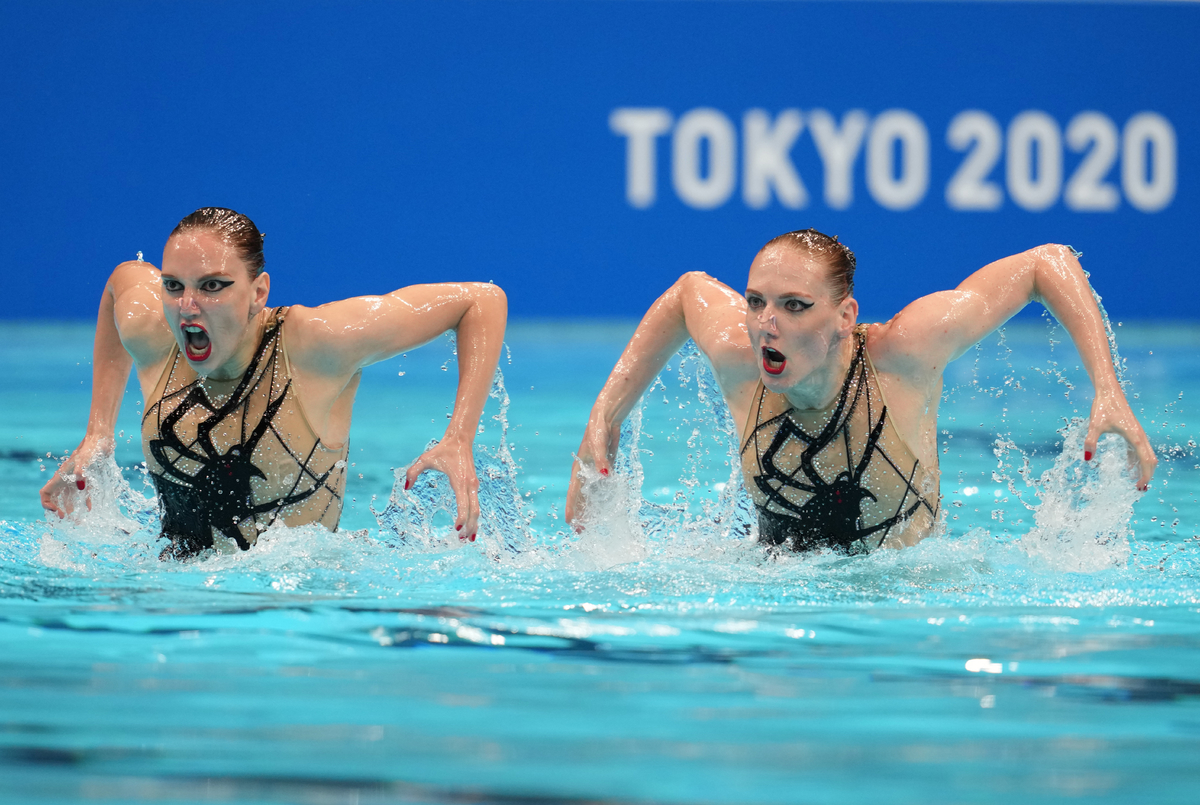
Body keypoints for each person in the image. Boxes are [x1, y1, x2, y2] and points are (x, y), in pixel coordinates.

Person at [566, 229, 1157, 554]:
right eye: (756, 301)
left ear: (845, 315)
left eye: (795, 306)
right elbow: (687, 291)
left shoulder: (904, 354)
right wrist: (606, 415)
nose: (766, 323)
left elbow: (1045, 264)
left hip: (904, 596)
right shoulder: (739, 356)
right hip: (774, 592)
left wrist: (1109, 389)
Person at [41, 207, 506, 557]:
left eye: (213, 285)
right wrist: (98, 434)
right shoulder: (154, 334)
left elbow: (480, 301)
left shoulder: (314, 345)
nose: (186, 307)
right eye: (174, 285)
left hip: (294, 613)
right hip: (173, 605)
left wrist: (458, 437)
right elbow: (122, 280)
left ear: (258, 292)